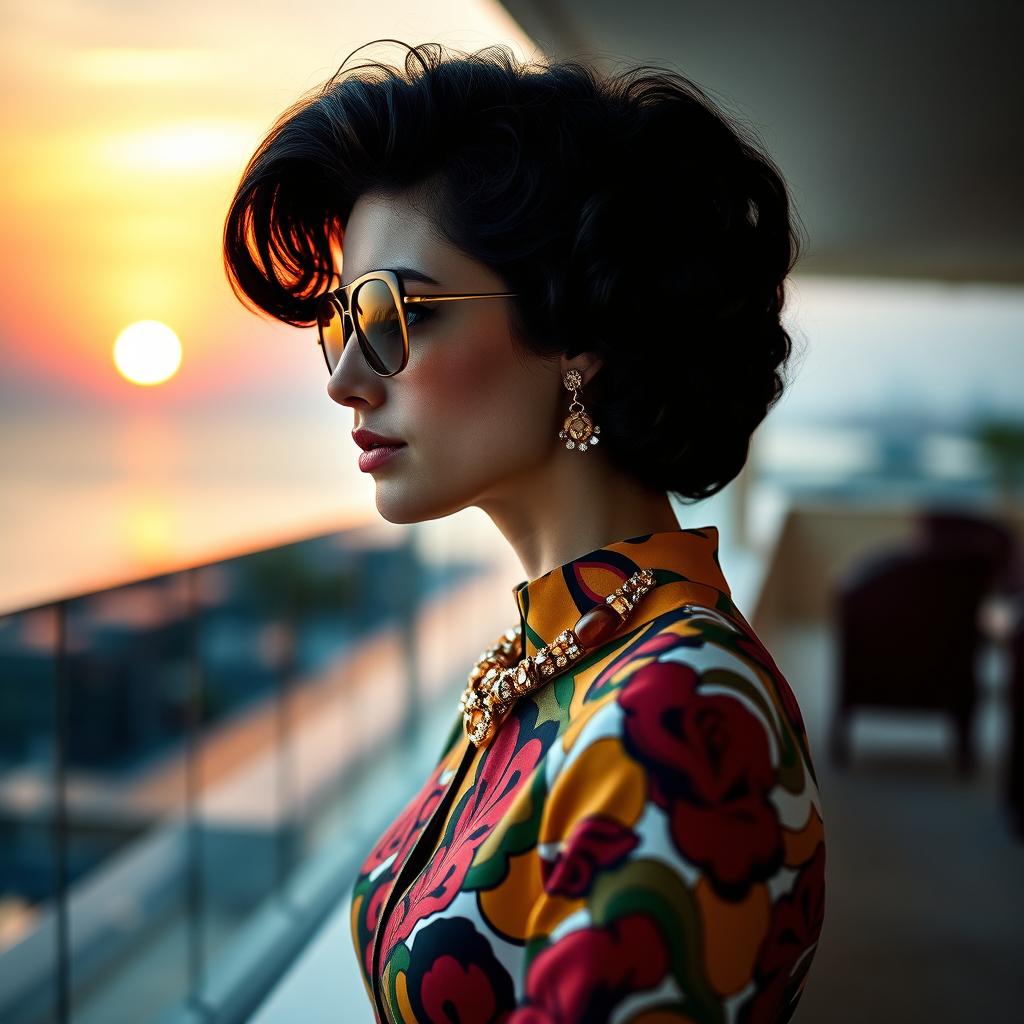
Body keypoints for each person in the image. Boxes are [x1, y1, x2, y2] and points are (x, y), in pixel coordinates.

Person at [222, 39, 825, 1024]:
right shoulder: (555, 654)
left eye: (397, 311)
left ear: (575, 334)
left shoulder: (674, 714)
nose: (343, 378)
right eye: (341, 319)